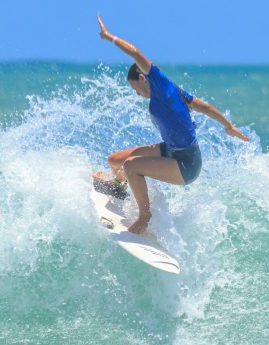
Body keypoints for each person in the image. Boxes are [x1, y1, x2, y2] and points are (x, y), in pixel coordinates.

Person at [95, 16, 249, 234]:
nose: (137, 94)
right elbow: (203, 107)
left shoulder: (160, 84)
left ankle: (145, 217)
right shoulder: (173, 92)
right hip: (170, 150)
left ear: (142, 77)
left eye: (135, 88)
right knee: (115, 161)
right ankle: (120, 188)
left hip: (186, 163)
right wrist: (227, 125)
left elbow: (136, 53)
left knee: (131, 166)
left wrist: (110, 38)